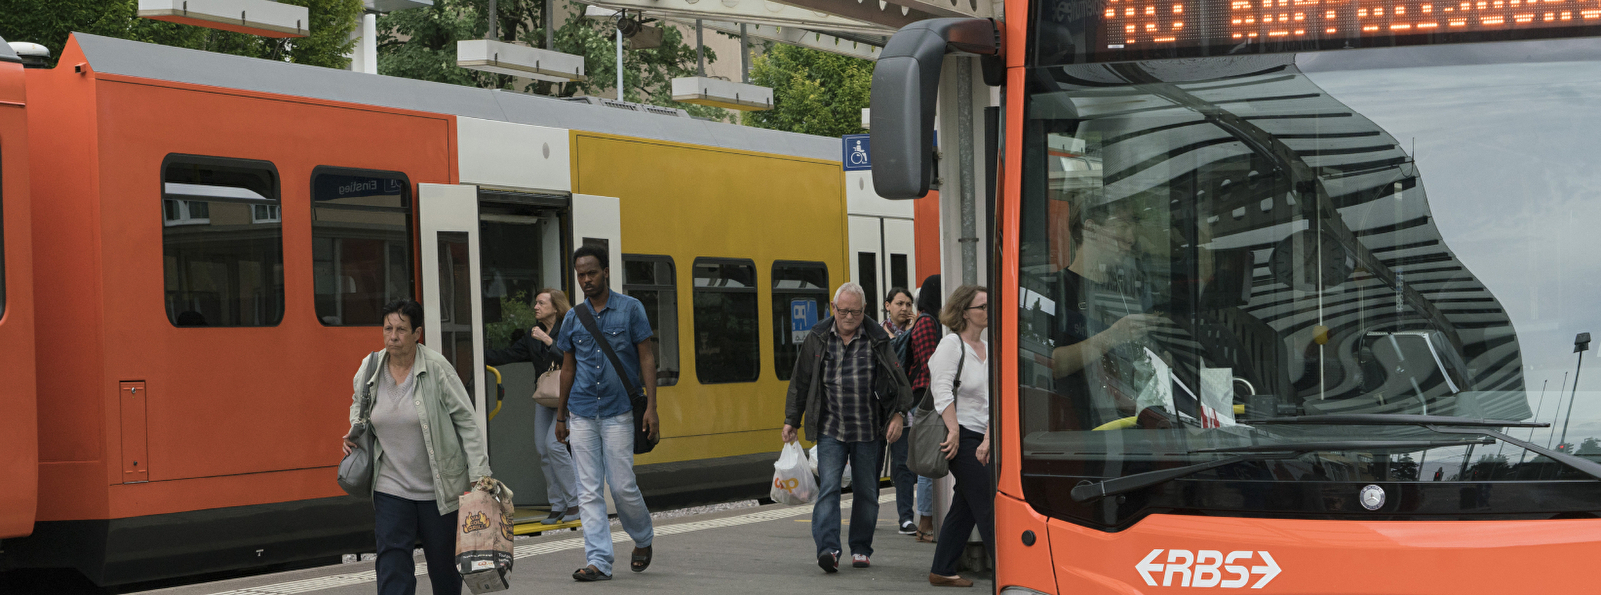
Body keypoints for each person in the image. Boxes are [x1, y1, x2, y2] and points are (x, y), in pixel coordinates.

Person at [342, 299, 491, 595]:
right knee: (392, 566)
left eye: (401, 329)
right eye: (387, 328)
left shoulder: (436, 368)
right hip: (390, 486)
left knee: (444, 568)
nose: (393, 336)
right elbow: (359, 409)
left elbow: (467, 422)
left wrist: (479, 474)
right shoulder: (370, 367)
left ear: (417, 333)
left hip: (438, 489)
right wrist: (353, 434)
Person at [781, 282, 914, 573]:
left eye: (855, 311)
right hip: (831, 429)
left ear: (864, 310)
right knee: (829, 487)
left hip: (868, 430)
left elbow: (899, 382)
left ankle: (861, 548)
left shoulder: (878, 338)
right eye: (843, 311)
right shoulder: (818, 337)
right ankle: (828, 548)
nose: (849, 317)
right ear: (833, 308)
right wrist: (792, 419)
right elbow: (801, 380)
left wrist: (898, 415)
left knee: (867, 491)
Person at [554, 245, 658, 582]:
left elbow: (646, 358)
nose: (585, 279)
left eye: (591, 273)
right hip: (582, 412)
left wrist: (651, 408)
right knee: (588, 489)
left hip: (619, 413)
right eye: (580, 274)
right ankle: (599, 560)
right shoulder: (573, 317)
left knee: (623, 485)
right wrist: (560, 415)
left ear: (606, 272)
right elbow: (567, 369)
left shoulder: (630, 310)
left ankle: (642, 538)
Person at [1049, 200, 1165, 430]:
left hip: (1139, 421)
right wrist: (1112, 336)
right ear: (1090, 229)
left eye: (1133, 229)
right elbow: (1053, 363)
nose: (1131, 238)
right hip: (1085, 430)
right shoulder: (1057, 289)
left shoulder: (1129, 291)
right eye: (1121, 227)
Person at [484, 289, 579, 526]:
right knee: (543, 450)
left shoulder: (569, 328)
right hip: (546, 399)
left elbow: (574, 358)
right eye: (535, 302)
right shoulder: (531, 335)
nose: (535, 307)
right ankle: (557, 505)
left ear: (556, 308)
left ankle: (576, 502)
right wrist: (477, 354)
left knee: (555, 446)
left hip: (567, 398)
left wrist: (548, 340)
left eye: (541, 303)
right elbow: (508, 354)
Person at [926, 285, 994, 588]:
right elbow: (941, 391)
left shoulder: (989, 347)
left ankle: (942, 568)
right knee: (987, 503)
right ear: (964, 312)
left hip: (983, 434)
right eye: (982, 306)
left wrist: (990, 437)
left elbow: (995, 398)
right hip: (960, 434)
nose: (988, 311)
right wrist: (954, 429)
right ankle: (1010, 568)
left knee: (966, 504)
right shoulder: (952, 345)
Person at [907, 275, 943, 541]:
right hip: (928, 397)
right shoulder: (928, 323)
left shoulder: (925, 321)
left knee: (930, 462)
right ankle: (926, 523)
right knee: (930, 463)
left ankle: (926, 522)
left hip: (926, 395)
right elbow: (933, 364)